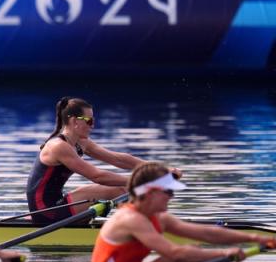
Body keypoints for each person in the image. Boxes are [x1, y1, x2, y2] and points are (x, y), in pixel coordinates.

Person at [88, 162, 275, 262]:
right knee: (189, 255)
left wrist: (253, 238)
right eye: (168, 191)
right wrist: (224, 254)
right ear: (150, 192)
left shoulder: (158, 218)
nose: (172, 197)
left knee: (193, 252)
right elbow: (176, 253)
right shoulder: (130, 219)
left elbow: (207, 233)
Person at [26, 96, 177, 226]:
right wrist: (139, 182)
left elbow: (119, 159)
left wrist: (160, 170)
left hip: (58, 203)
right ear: (74, 121)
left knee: (122, 190)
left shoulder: (81, 142)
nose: (93, 125)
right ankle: (137, 229)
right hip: (46, 212)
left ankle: (139, 225)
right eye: (89, 121)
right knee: (119, 190)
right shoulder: (58, 146)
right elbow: (98, 176)